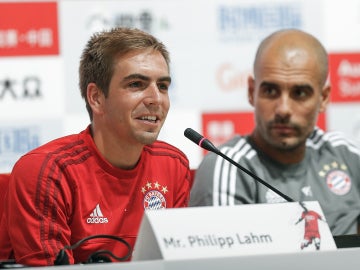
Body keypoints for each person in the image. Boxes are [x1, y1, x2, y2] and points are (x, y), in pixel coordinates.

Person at [0, 27, 191, 266]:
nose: (156, 99)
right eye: (136, 84)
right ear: (96, 98)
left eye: (163, 86)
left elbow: (178, 263)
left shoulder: (173, 165)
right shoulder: (48, 172)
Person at [190, 29, 360, 236]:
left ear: (323, 98)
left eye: (299, 93)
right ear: (252, 92)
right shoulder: (229, 167)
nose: (283, 110)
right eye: (270, 91)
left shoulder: (345, 154)